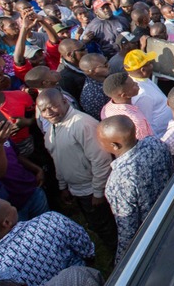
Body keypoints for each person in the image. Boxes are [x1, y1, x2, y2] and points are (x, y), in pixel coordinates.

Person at [36, 88, 117, 253]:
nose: (48, 112)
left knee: (107, 227)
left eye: (53, 106)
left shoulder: (82, 123)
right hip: (78, 190)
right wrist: (63, 186)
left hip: (93, 190)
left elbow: (101, 160)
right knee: (97, 225)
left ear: (65, 102)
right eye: (43, 110)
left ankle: (121, 255)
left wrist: (98, 192)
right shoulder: (53, 128)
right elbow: (58, 159)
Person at [0, 198, 95, 286]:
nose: (14, 207)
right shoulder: (50, 221)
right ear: (6, 223)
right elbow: (87, 250)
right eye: (10, 206)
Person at [96, 115, 173, 263]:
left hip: (150, 236)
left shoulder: (118, 180)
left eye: (101, 141)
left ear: (115, 145)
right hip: (171, 210)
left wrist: (121, 262)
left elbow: (127, 229)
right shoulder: (155, 143)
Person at [123, 49, 173, 138]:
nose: (152, 65)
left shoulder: (141, 79)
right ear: (143, 70)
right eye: (150, 63)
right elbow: (147, 123)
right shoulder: (142, 94)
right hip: (163, 134)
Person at [100, 72, 154, 139]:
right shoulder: (136, 120)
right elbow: (146, 142)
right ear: (124, 95)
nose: (137, 83)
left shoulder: (106, 109)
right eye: (133, 85)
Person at [78, 53, 109, 121]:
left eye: (107, 61)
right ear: (92, 71)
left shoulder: (104, 79)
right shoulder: (92, 96)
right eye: (105, 65)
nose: (109, 66)